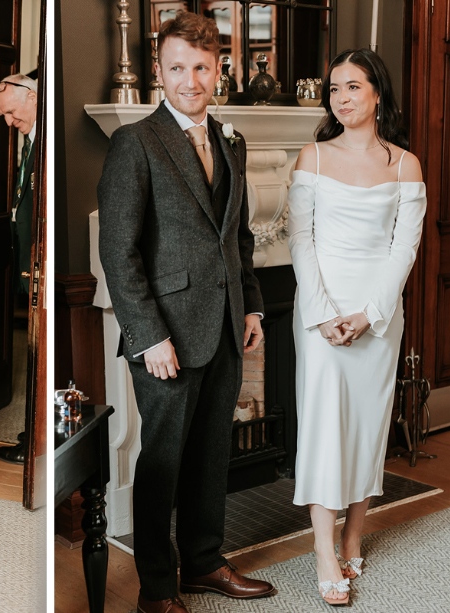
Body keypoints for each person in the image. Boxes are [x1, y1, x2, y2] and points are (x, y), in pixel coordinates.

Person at [97, 13, 275, 613]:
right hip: (164, 337)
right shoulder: (135, 142)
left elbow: (238, 234)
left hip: (224, 325)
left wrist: (251, 306)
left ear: (218, 68)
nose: (190, 80)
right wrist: (148, 336)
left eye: (201, 67)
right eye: (177, 68)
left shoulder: (230, 141)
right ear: (159, 70)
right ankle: (156, 589)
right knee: (163, 462)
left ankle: (203, 562)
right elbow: (118, 251)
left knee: (210, 453)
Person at [287, 48, 425, 606]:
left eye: (352, 87)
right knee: (324, 426)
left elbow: (404, 249)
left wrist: (370, 313)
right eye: (333, 89)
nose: (341, 98)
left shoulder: (405, 164)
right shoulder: (313, 157)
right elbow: (300, 240)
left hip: (378, 311)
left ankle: (353, 536)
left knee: (369, 425)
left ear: (377, 93)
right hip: (321, 311)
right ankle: (324, 550)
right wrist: (324, 313)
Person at [0, 73, 38, 465]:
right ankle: (32, 432)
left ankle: (34, 439)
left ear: (32, 96)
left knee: (38, 357)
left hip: (38, 267)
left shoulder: (45, 143)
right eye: (3, 116)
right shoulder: (30, 141)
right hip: (26, 266)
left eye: (10, 112)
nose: (8, 122)